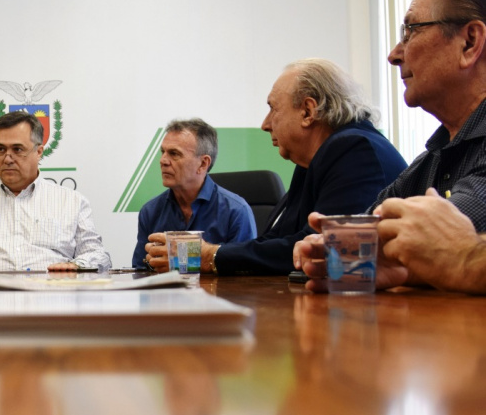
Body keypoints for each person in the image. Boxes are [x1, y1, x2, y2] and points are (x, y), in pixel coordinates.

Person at [148, 58, 406, 275]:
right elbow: (276, 239)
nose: (265, 124)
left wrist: (206, 255)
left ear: (308, 111)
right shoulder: (314, 159)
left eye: (273, 109)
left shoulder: (354, 150)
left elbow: (314, 248)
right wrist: (202, 254)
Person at [364, 0, 486, 228]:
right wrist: (325, 244)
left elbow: (436, 233)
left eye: (411, 31)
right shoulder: (432, 157)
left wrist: (346, 243)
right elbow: (364, 229)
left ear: (469, 42)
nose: (394, 55)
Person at [0, 110, 111, 272]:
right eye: (0, 149)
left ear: (39, 152)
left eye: (17, 149)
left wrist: (75, 266)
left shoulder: (72, 201)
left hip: (51, 300)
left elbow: (99, 256)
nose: (7, 158)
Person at [294, 190, 486, 294]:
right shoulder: (428, 157)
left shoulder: (355, 146)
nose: (267, 125)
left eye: (274, 113)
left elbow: (451, 226)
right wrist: (411, 260)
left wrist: (466, 256)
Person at [133, 118, 256, 270]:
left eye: (174, 154)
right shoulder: (150, 211)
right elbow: (140, 271)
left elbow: (246, 273)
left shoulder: (236, 211)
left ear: (203, 163)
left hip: (217, 293)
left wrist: (186, 261)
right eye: (163, 152)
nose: (163, 160)